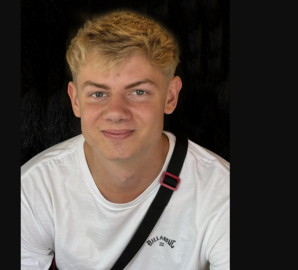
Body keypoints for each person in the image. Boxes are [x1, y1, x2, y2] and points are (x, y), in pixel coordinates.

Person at [21, 10, 229, 270]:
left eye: (138, 92)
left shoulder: (222, 192)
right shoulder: (33, 188)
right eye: (98, 93)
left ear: (170, 96)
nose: (117, 112)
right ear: (75, 101)